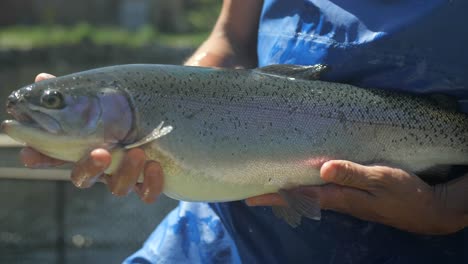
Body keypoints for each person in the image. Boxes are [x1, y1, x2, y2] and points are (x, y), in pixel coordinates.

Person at [22, 0, 467, 263]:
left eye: (54, 102)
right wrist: (168, 112)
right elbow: (230, 41)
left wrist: (448, 208)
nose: (43, 108)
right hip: (223, 238)